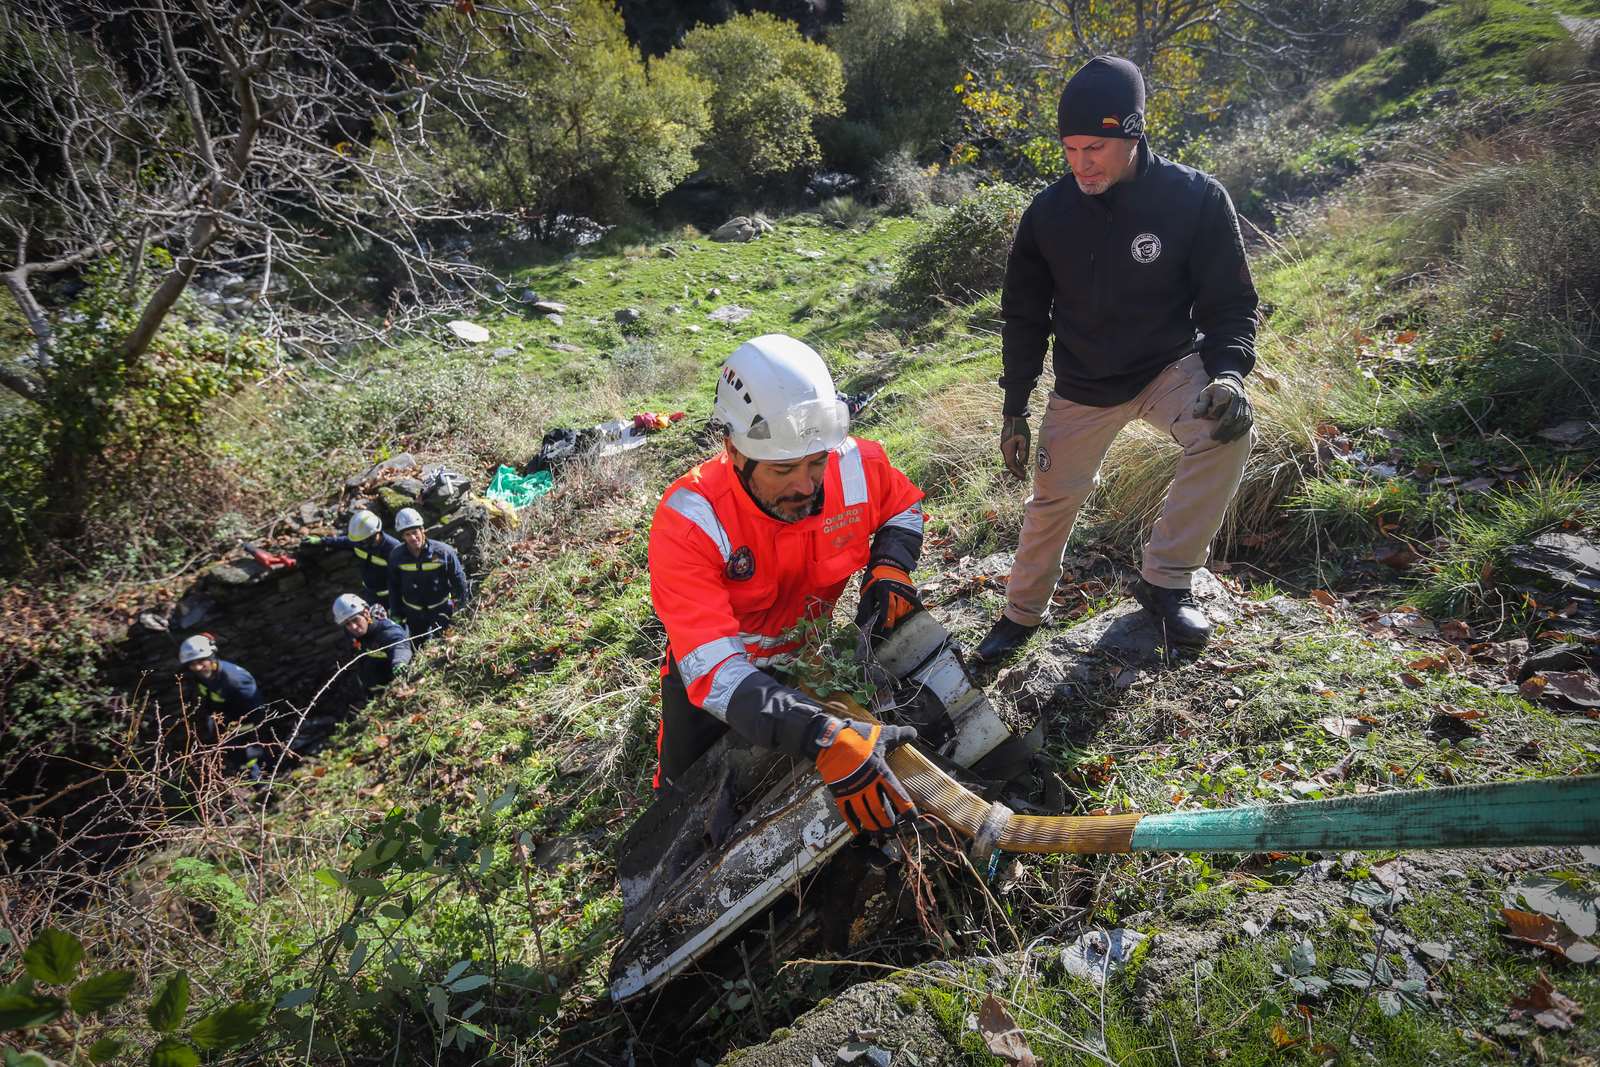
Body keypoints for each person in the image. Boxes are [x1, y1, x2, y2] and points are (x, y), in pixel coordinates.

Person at [974, 55, 1258, 663]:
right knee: (1052, 500)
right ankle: (1021, 616)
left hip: (1168, 369)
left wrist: (1229, 373)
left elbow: (1231, 304)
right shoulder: (1048, 216)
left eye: (1095, 147)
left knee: (1226, 430)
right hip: (1082, 385)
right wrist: (1015, 407)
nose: (1081, 164)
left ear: (1133, 133)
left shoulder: (1195, 198)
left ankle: (1165, 582)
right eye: (1070, 148)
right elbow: (1024, 317)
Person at [648, 334, 927, 834]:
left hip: (810, 662)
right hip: (722, 681)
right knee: (682, 810)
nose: (806, 484)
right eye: (782, 469)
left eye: (816, 461)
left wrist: (890, 567)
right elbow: (717, 673)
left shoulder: (854, 467)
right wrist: (821, 735)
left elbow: (903, 507)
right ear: (733, 450)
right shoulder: (690, 522)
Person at [178, 633, 267, 776]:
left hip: (246, 724)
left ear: (211, 657)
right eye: (193, 664)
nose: (199, 667)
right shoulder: (203, 676)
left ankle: (259, 782)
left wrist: (231, 728)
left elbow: (255, 712)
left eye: (201, 661)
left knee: (249, 756)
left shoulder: (236, 681)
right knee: (234, 755)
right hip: (225, 720)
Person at [387, 507, 470, 641]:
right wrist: (396, 613)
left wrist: (463, 604)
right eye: (408, 534)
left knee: (444, 643)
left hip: (441, 610)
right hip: (413, 614)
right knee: (419, 648)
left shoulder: (444, 552)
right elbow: (393, 586)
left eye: (415, 532)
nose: (413, 538)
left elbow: (458, 579)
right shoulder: (396, 556)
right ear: (402, 537)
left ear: (422, 530)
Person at [301, 509, 401, 604]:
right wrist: (321, 541)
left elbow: (405, 577)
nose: (360, 544)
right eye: (358, 541)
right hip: (370, 593)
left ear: (375, 534)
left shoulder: (393, 549)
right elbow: (343, 541)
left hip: (391, 597)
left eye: (363, 541)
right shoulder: (359, 541)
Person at [331, 593, 413, 693]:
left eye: (355, 620)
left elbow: (400, 644)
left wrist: (399, 662)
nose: (353, 627)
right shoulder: (353, 634)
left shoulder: (385, 630)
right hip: (370, 689)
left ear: (366, 613)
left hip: (392, 689)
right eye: (347, 624)